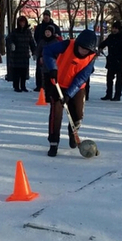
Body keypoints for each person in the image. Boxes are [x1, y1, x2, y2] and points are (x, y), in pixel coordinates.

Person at [43, 29, 99, 157]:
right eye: (82, 48)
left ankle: (73, 133)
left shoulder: (91, 58)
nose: (84, 51)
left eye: (87, 50)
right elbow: (47, 51)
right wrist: (52, 68)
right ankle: (53, 142)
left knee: (78, 114)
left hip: (77, 88)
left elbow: (81, 78)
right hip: (58, 84)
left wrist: (69, 94)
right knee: (55, 114)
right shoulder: (67, 44)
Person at [98, 20, 122, 101]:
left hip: (120, 61)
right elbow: (103, 44)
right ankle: (108, 94)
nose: (114, 30)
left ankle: (117, 95)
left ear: (119, 29)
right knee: (109, 79)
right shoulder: (110, 37)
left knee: (119, 80)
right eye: (113, 28)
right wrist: (100, 47)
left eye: (116, 28)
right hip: (111, 61)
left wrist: (120, 57)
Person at [33, 9, 62, 91]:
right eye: (44, 15)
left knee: (51, 70)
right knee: (39, 70)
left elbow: (59, 39)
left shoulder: (55, 27)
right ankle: (39, 85)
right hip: (42, 50)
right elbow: (36, 37)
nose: (46, 17)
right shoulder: (39, 27)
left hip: (52, 54)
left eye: (47, 15)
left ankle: (51, 85)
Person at [6, 16, 36, 92]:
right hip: (16, 55)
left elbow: (31, 43)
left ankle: (23, 86)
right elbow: (9, 40)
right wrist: (11, 45)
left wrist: (34, 52)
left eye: (23, 22)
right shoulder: (15, 32)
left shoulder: (28, 32)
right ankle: (16, 86)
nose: (22, 24)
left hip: (24, 55)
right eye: (20, 22)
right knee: (16, 72)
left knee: (24, 72)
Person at [35, 25, 61, 102]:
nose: (47, 33)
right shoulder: (42, 41)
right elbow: (38, 50)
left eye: (49, 32)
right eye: (46, 32)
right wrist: (39, 57)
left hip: (53, 64)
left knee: (53, 81)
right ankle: (47, 96)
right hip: (44, 65)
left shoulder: (55, 41)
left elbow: (59, 53)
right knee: (45, 80)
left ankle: (54, 96)